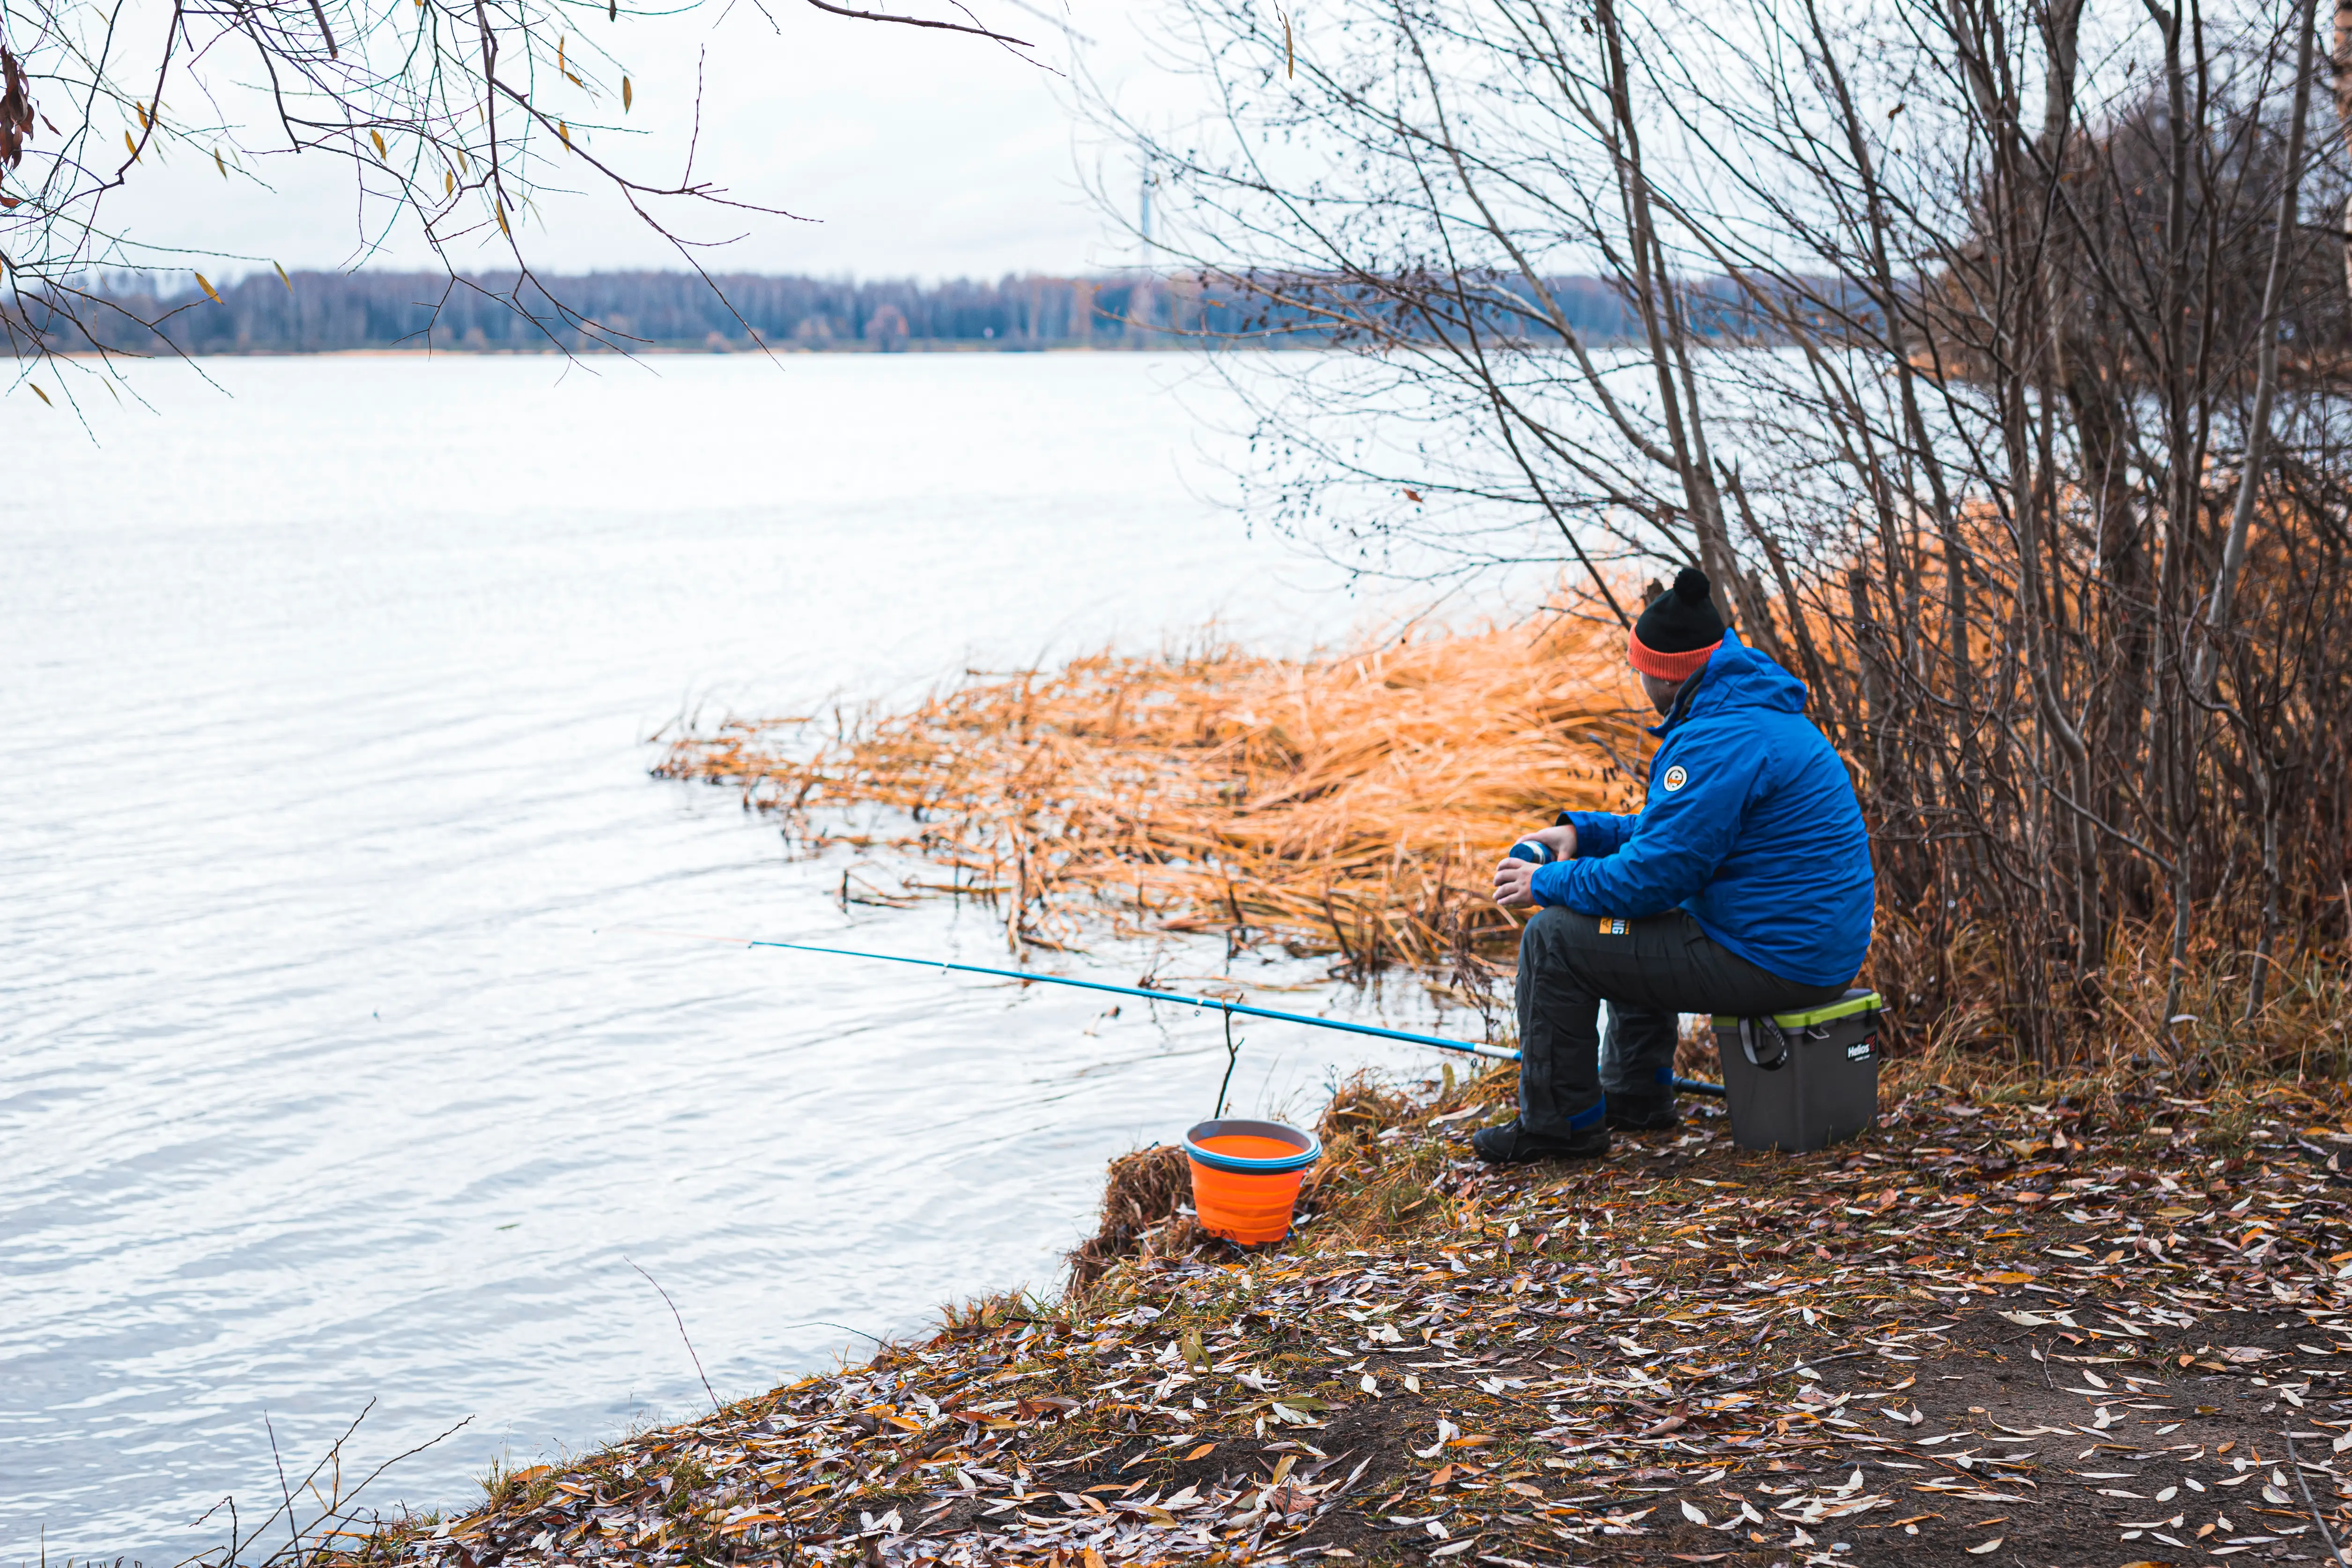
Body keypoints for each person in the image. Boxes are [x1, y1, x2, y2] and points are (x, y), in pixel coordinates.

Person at [1476, 567, 1874, 1163]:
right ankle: (1637, 1096)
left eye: (1639, 667)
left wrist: (1545, 883)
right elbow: (1682, 836)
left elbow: (1649, 879)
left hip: (1777, 959)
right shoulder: (1750, 710)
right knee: (1630, 917)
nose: (1637, 678)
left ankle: (1559, 1128)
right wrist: (1584, 834)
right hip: (1809, 948)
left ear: (1664, 675)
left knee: (1555, 939)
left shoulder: (1719, 738)